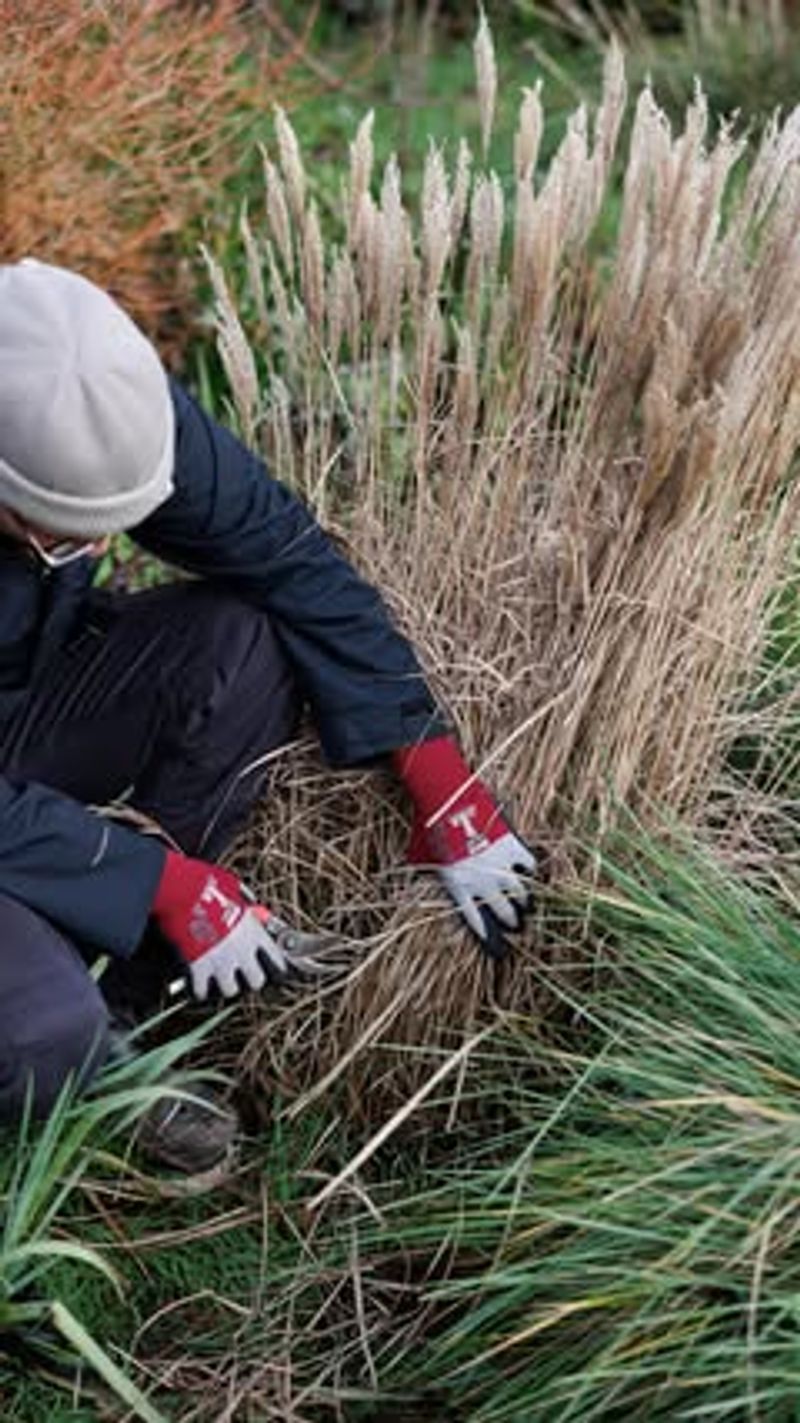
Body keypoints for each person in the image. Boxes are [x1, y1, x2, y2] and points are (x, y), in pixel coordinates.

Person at [0, 259, 535, 1171]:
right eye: (64, 535)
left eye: (107, 528)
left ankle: (124, 991)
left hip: (26, 700)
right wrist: (158, 879)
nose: (93, 549)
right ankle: (86, 1054)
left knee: (240, 643)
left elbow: (285, 559)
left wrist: (437, 774)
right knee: (41, 1029)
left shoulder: (84, 383)